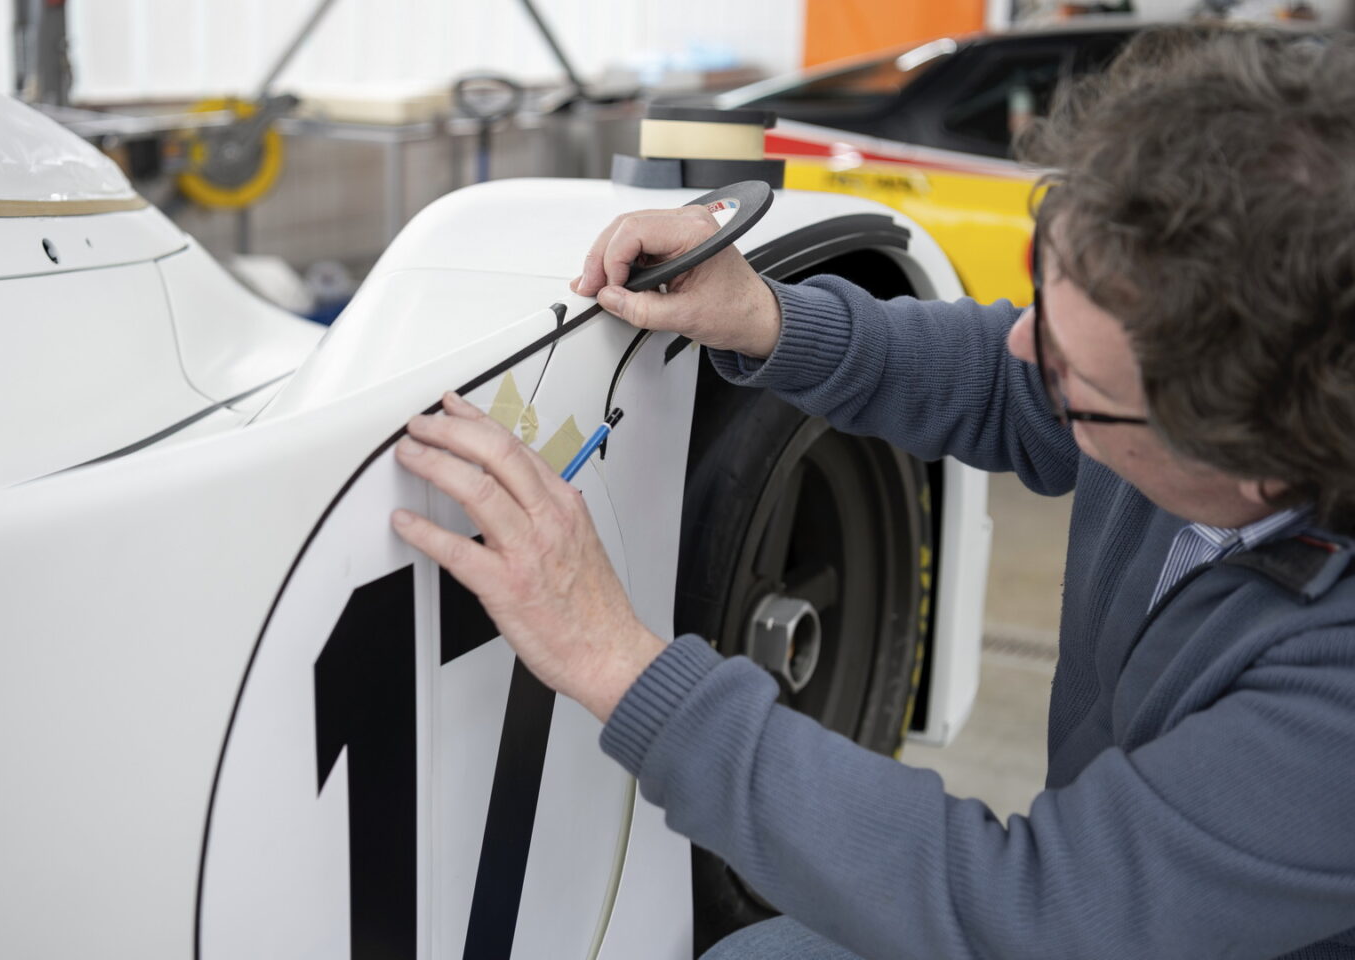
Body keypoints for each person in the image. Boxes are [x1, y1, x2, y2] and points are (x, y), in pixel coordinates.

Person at [390, 26, 1355, 959]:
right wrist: (769, 318)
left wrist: (617, 661)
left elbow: (1027, 914)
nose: (1028, 349)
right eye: (1044, 306)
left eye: (1083, 383)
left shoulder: (1335, 712)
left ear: (1259, 460)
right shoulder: (1199, 383)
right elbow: (1010, 381)